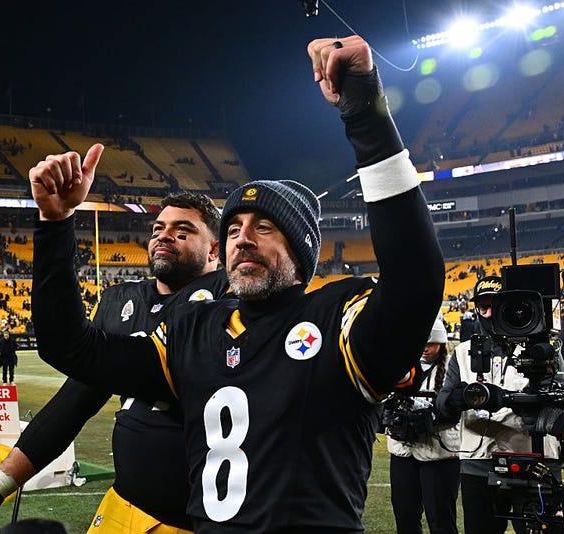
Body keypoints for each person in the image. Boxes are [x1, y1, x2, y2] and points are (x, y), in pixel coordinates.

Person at [24, 35, 444, 532]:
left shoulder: (335, 318)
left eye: (264, 228)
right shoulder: (192, 328)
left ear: (301, 250)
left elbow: (415, 280)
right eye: (233, 229)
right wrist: (55, 225)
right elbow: (67, 346)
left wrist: (366, 114)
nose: (243, 239)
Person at [0, 192, 228, 533]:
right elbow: (74, 403)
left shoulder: (229, 301)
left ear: (215, 249)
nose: (164, 235)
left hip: (199, 518)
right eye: (157, 228)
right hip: (124, 504)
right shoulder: (121, 301)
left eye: (182, 230)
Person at [436, 276, 564, 534]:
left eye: (496, 304)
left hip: (535, 460)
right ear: (476, 310)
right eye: (483, 305)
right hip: (478, 463)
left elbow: (562, 400)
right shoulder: (462, 352)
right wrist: (456, 399)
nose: (490, 312)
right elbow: (442, 406)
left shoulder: (542, 348)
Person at [386, 316, 460, 534]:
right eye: (423, 343)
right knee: (405, 517)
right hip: (402, 450)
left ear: (442, 343)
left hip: (439, 453)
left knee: (440, 520)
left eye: (431, 343)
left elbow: (458, 407)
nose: (426, 348)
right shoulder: (400, 363)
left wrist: (430, 416)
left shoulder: (453, 366)